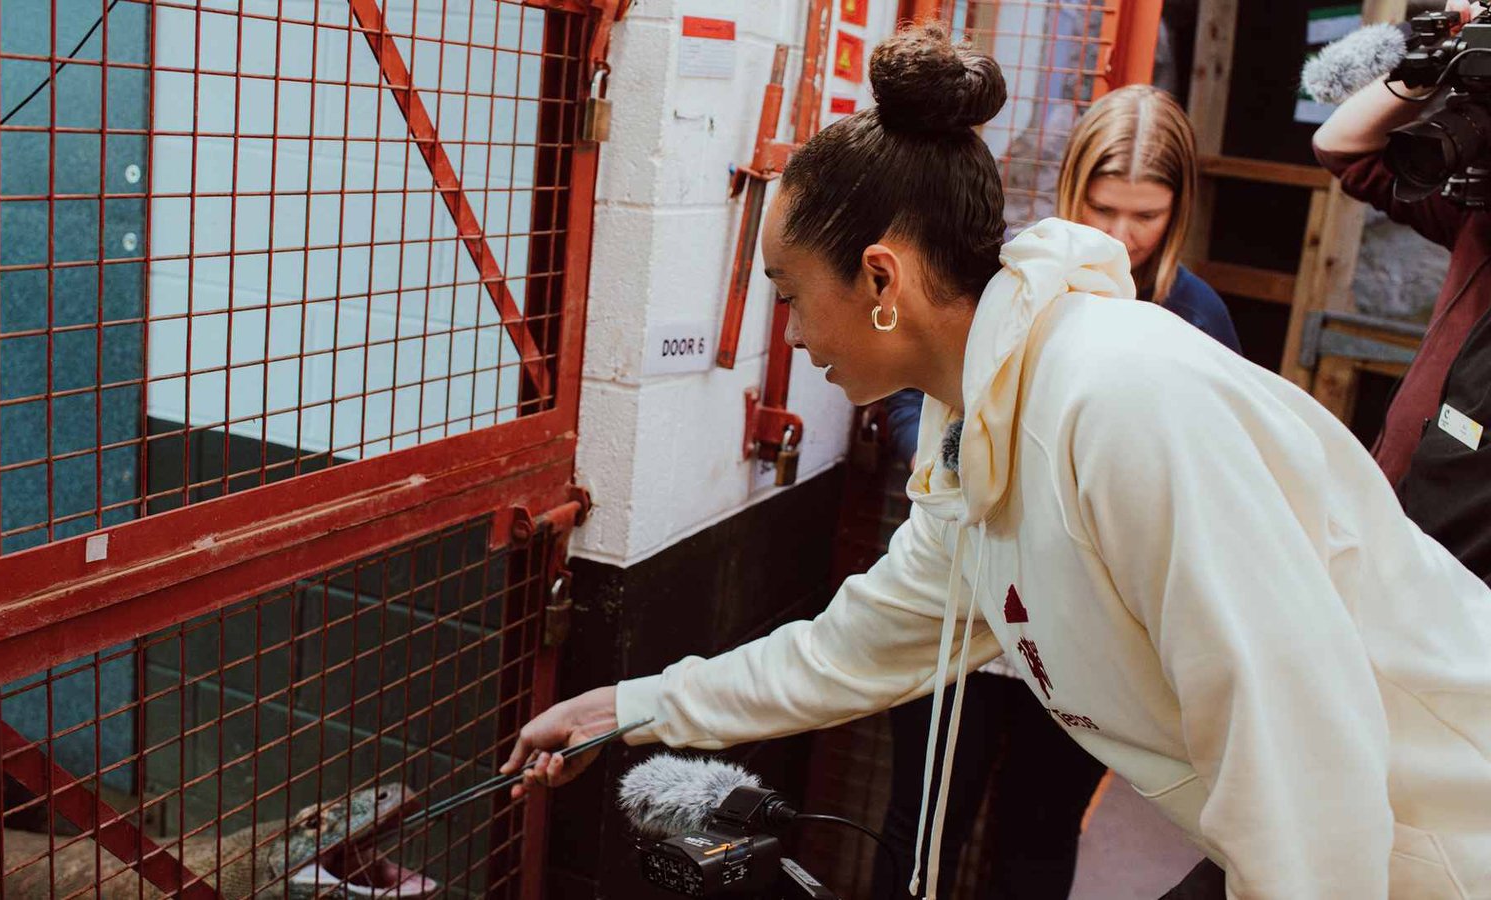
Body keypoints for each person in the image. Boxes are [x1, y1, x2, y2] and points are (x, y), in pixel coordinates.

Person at [506, 23, 1491, 899]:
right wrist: (625, 706)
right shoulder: (984, 428)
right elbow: (844, 654)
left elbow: (1296, 762)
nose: (793, 331)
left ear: (880, 278)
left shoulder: (1119, 400)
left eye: (792, 292)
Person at [873, 83, 1240, 900]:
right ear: (1073, 185)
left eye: (1145, 216)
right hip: (968, 601)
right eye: (1103, 207)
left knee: (1039, 837)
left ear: (1178, 209)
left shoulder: (1197, 316)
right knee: (921, 825)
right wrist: (948, 457)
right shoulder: (1005, 276)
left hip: (1086, 636)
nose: (1120, 236)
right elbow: (908, 389)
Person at [1312, 0, 1491, 585]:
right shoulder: (1479, 220)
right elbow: (1340, 145)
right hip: (1388, 529)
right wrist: (1439, 57)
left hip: (1459, 581)